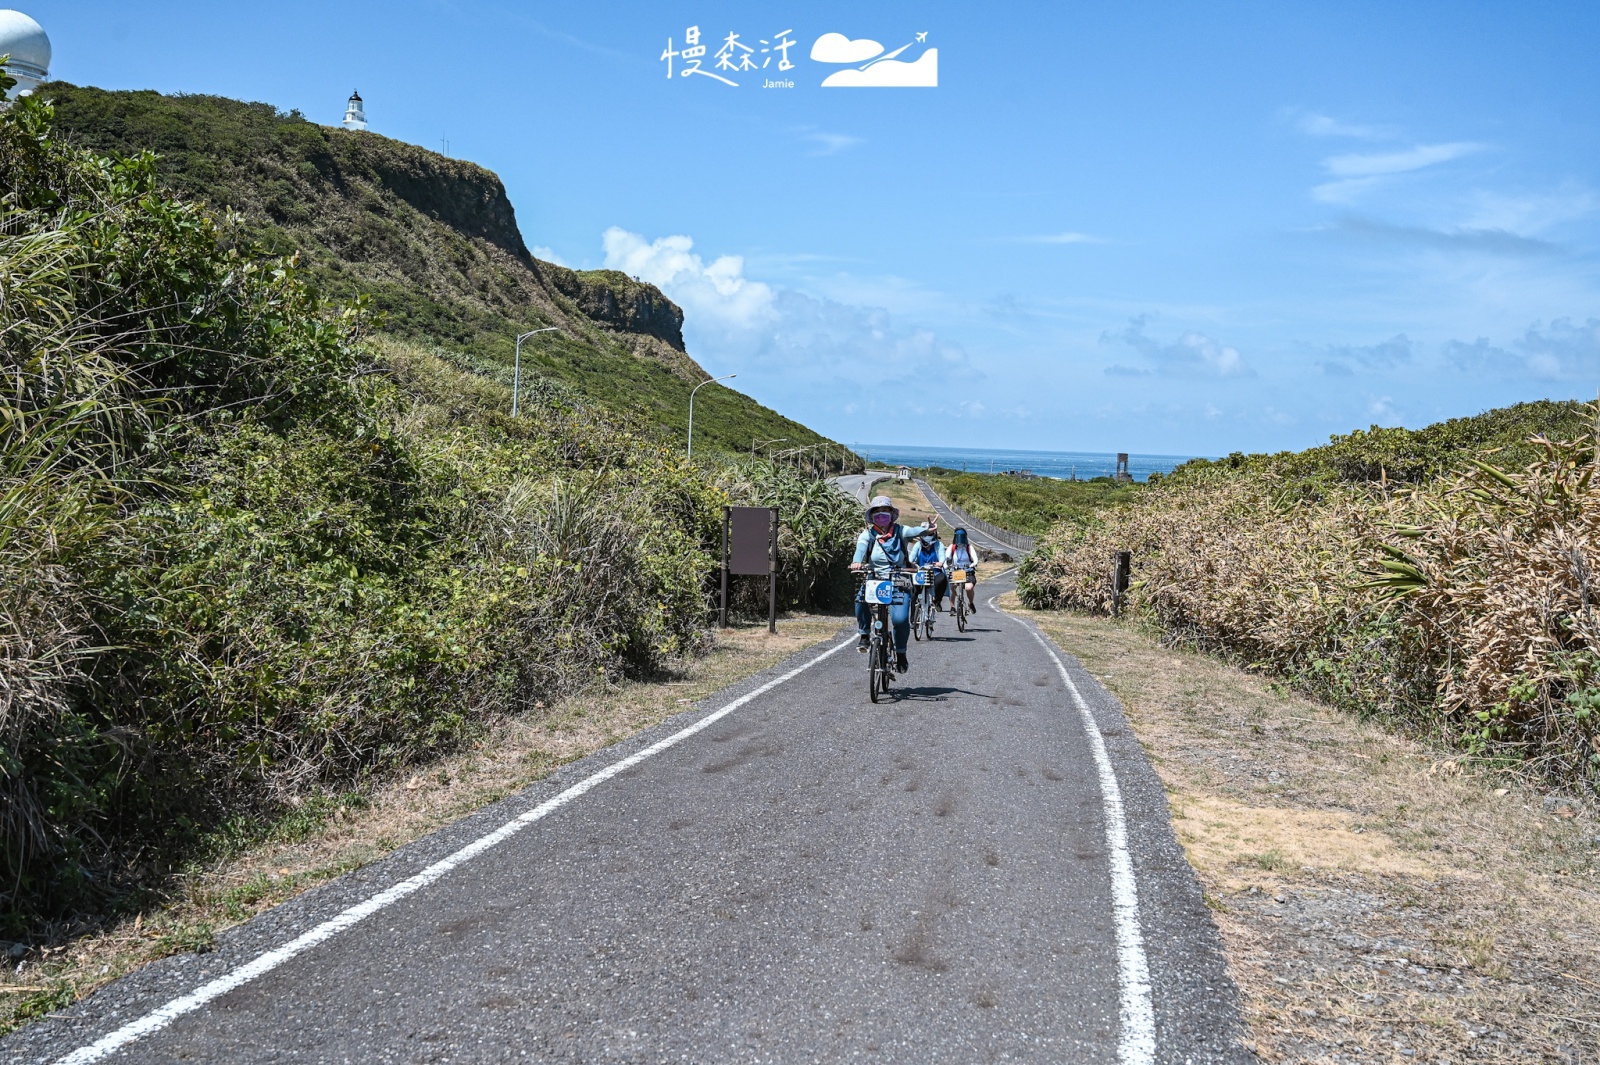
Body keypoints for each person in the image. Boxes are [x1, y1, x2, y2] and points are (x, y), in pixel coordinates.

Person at [850, 495, 937, 672]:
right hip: (875, 579)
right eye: (877, 512)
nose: (881, 516)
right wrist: (856, 561)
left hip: (899, 580)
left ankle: (901, 652)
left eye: (885, 511)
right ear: (872, 516)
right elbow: (860, 549)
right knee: (860, 601)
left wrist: (928, 529)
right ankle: (864, 635)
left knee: (899, 619)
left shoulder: (900, 531)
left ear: (892, 513)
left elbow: (915, 531)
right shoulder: (867, 534)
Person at [910, 529, 949, 614]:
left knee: (942, 579)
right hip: (920, 573)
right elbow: (912, 556)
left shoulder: (939, 545)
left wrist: (940, 563)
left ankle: (937, 600)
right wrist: (910, 563)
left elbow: (942, 555)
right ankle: (913, 619)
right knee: (914, 593)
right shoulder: (917, 545)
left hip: (935, 572)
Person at [948, 527, 978, 614]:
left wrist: (972, 564)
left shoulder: (969, 547)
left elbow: (975, 559)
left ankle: (971, 603)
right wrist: (947, 565)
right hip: (955, 571)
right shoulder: (952, 547)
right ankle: (952, 607)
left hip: (967, 571)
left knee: (969, 588)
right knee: (953, 587)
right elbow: (947, 558)